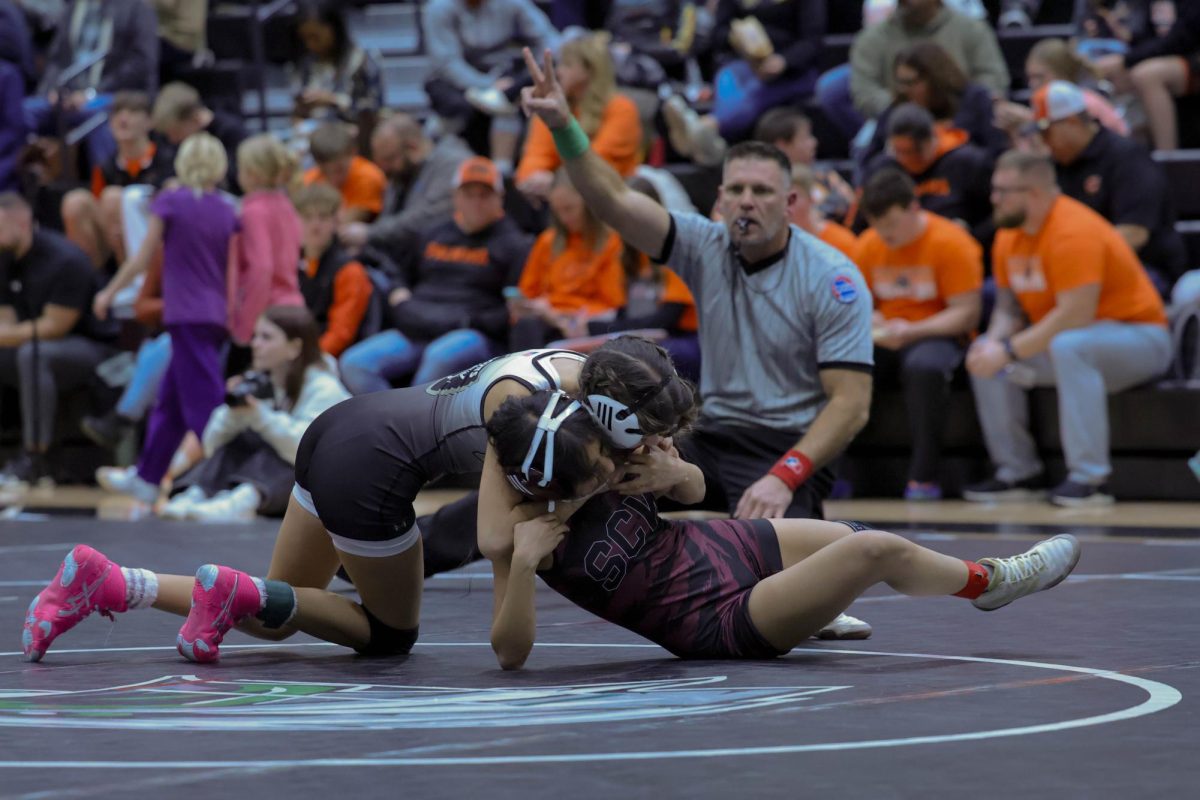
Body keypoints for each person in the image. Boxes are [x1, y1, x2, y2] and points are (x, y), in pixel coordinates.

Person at [21, 340, 696, 664]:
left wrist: (668, 476)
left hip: (349, 430)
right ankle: (227, 591)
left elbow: (688, 480)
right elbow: (494, 534)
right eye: (650, 437)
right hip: (370, 467)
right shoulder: (528, 415)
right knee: (389, 634)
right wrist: (602, 489)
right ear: (612, 415)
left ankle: (109, 583)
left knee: (278, 610)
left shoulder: (585, 378)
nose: (656, 446)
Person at [518, 48, 875, 522]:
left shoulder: (833, 277)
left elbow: (851, 406)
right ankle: (410, 545)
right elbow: (616, 201)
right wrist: (564, 125)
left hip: (784, 446)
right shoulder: (705, 243)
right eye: (738, 192)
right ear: (721, 199)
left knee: (777, 564)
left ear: (790, 202)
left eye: (762, 192)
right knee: (566, 469)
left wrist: (785, 475)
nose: (748, 203)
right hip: (707, 433)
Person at [484, 388, 1082, 668]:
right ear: (547, 482)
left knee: (848, 535)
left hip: (715, 545)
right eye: (594, 474)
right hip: (709, 619)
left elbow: (697, 491)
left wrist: (674, 469)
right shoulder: (524, 531)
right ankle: (991, 582)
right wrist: (522, 565)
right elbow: (510, 653)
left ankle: (818, 608)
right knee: (874, 553)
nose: (610, 471)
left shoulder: (591, 447)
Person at [964, 151, 1172, 507]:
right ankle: (1018, 472)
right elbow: (1006, 308)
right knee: (986, 355)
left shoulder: (1074, 230)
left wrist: (1011, 350)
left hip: (1139, 340)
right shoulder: (1009, 234)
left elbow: (1075, 314)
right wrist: (994, 344)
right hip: (1069, 342)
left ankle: (1090, 481)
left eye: (1003, 191)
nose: (993, 198)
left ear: (1034, 193)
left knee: (1069, 345)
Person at [91, 133, 240, 505]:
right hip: (214, 314)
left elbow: (141, 259)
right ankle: (148, 475)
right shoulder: (228, 210)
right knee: (171, 400)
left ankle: (216, 480)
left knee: (203, 403)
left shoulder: (171, 203)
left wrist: (109, 292)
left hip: (184, 314)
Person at [338, 156, 533, 394]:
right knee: (354, 363)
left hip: (471, 333)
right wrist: (398, 294)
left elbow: (514, 308)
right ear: (455, 197)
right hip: (418, 325)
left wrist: (471, 321)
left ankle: (411, 425)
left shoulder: (515, 244)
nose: (476, 203)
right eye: (469, 194)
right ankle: (393, 419)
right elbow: (398, 270)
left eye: (485, 195)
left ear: (500, 199)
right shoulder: (432, 232)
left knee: (440, 356)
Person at [855, 168, 983, 500]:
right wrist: (876, 321)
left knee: (924, 368)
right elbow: (859, 303)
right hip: (886, 335)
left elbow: (966, 312)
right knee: (844, 361)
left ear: (914, 207)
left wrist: (913, 330)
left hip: (937, 332)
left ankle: (924, 476)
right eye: (877, 225)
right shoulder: (868, 245)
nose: (885, 234)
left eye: (892, 224)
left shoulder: (952, 243)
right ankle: (841, 472)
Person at [164, 306, 350, 522]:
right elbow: (211, 444)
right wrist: (234, 412)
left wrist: (259, 417)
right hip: (290, 485)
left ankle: (244, 500)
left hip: (328, 486)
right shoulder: (261, 382)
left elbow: (304, 450)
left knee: (283, 448)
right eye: (255, 336)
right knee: (242, 438)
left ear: (294, 347)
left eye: (266, 337)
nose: (255, 344)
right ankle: (201, 492)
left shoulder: (325, 388)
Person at [0, 192, 116, 484]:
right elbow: (6, 318)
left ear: (21, 221)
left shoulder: (64, 259)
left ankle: (34, 456)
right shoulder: (5, 257)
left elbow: (55, 326)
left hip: (92, 349)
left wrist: (7, 334)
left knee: (34, 354)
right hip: (30, 343)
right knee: (28, 352)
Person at [1032, 80, 1187, 292]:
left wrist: (1072, 262)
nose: (1043, 142)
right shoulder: (1054, 164)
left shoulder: (1126, 157)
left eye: (1046, 132)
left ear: (1072, 122)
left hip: (1141, 268)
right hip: (1075, 268)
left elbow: (1134, 234)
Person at [661, 0, 826, 166]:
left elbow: (813, 41)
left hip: (793, 72)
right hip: (744, 63)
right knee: (727, 79)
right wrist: (737, 37)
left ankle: (703, 128)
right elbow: (718, 33)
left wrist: (784, 62)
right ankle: (707, 138)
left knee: (752, 92)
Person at [820, 0, 1009, 140]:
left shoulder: (972, 30)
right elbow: (864, 91)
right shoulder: (871, 39)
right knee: (864, 144)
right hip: (894, 123)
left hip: (962, 120)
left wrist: (958, 110)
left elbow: (993, 78)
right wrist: (905, 110)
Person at [422, 0, 561, 175]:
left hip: (504, 76)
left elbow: (548, 38)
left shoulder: (513, 3)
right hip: (455, 83)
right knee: (456, 107)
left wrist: (544, 61)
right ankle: (439, 162)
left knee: (514, 98)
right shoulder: (438, 9)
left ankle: (502, 172)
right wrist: (486, 85)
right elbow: (446, 63)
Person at [25, 0, 160, 169]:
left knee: (101, 119)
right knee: (24, 110)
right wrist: (54, 91)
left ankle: (103, 184)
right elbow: (56, 60)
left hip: (113, 94)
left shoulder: (138, 9)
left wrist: (91, 93)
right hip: (68, 94)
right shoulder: (73, 8)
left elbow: (142, 62)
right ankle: (17, 183)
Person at [515, 31, 642, 206]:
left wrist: (555, 181)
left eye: (567, 65)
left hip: (613, 203)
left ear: (589, 69)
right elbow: (536, 155)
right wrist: (534, 175)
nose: (558, 72)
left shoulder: (621, 108)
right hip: (562, 201)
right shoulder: (553, 107)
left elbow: (598, 165)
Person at [508, 170, 626, 350]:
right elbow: (528, 294)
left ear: (588, 204)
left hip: (584, 324)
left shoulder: (611, 242)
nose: (564, 218)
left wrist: (560, 315)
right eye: (558, 211)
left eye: (569, 209)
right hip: (545, 322)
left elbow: (611, 305)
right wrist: (528, 307)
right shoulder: (547, 241)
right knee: (525, 325)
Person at [60, 90, 174, 268]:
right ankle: (85, 280)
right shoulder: (105, 167)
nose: (123, 119)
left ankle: (133, 285)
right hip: (112, 240)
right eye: (118, 113)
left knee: (113, 198)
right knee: (75, 202)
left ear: (150, 121)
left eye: (133, 112)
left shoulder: (166, 159)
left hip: (155, 237)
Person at [338, 114, 472, 260]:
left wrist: (370, 233)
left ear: (413, 147)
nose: (385, 168)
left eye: (389, 159)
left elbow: (425, 219)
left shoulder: (452, 164)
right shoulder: (402, 171)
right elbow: (389, 215)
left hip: (440, 258)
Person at [863, 102, 994, 241]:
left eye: (910, 152)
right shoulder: (884, 168)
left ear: (931, 140)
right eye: (898, 152)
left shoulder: (969, 163)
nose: (905, 159)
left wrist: (970, 235)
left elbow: (996, 215)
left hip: (958, 245)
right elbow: (863, 220)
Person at [228, 134, 305, 347]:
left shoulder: (252, 211)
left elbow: (261, 268)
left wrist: (245, 327)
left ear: (251, 174)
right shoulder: (287, 205)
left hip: (268, 317)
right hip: (295, 306)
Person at [1093, 0, 1200, 151]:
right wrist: (1128, 36)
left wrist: (1126, 60)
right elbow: (1150, 37)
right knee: (1115, 75)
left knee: (1146, 75)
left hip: (1192, 56)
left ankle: (1167, 156)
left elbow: (1181, 39)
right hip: (1170, 56)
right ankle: (1122, 141)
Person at [293, 183, 375, 358]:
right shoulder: (291, 261)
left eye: (322, 218)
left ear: (336, 221)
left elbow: (341, 334)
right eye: (307, 218)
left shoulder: (350, 270)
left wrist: (305, 361)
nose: (315, 226)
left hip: (328, 359)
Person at [993, 38, 1129, 141]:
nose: (1032, 84)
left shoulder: (1085, 103)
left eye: (1039, 77)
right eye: (1030, 78)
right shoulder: (1044, 104)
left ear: (1062, 74)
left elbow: (1070, 145)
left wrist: (1028, 119)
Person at [290, 0, 384, 132]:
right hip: (312, 137)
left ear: (333, 28)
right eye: (305, 39)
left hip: (353, 136)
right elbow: (297, 112)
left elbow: (373, 109)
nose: (310, 44)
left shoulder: (362, 60)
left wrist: (332, 100)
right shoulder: (305, 64)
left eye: (315, 37)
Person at [754, 107, 855, 224]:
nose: (814, 142)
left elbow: (850, 203)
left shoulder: (823, 173)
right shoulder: (765, 188)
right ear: (781, 146)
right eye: (806, 137)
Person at [151, 82, 248, 193]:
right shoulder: (172, 142)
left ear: (195, 118)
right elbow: (160, 174)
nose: (172, 139)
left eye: (176, 132)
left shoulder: (231, 132)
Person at [302, 121, 387, 224]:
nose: (335, 177)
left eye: (340, 169)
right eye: (327, 172)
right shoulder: (308, 180)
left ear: (352, 153)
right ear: (318, 164)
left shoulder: (369, 177)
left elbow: (342, 226)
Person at [789, 164, 858, 259]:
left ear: (811, 198)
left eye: (793, 198)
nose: (787, 206)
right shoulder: (777, 246)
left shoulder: (842, 242)